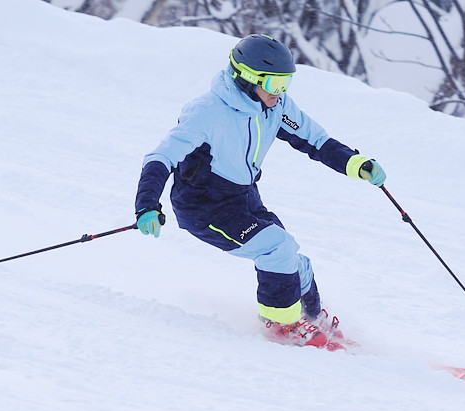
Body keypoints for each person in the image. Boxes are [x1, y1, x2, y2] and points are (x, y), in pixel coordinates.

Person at [134, 34, 386, 346]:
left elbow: (315, 140)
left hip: (243, 197)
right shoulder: (207, 111)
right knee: (276, 247)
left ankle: (311, 319)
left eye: (285, 84)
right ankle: (282, 325)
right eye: (273, 85)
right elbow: (161, 156)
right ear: (247, 79)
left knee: (292, 258)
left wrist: (356, 163)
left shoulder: (274, 106)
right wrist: (147, 204)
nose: (279, 93)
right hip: (202, 205)